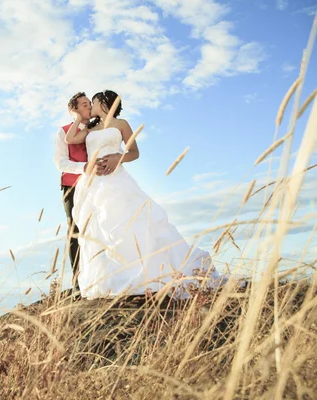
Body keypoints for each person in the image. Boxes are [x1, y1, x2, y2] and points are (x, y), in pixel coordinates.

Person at [65, 90, 225, 299]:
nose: (91, 107)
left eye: (93, 102)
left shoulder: (121, 124)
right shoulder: (91, 128)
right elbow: (70, 138)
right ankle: (111, 278)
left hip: (117, 179)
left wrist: (117, 158)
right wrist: (77, 118)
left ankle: (142, 273)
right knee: (99, 227)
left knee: (126, 222)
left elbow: (134, 152)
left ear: (104, 103)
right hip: (95, 182)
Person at [53, 92, 123, 292]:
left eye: (89, 103)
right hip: (72, 186)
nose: (89, 106)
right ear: (74, 110)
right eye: (84, 104)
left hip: (99, 184)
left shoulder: (98, 127)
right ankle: (77, 283)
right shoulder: (64, 132)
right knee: (75, 230)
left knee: (102, 227)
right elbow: (60, 163)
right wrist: (86, 167)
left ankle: (104, 275)